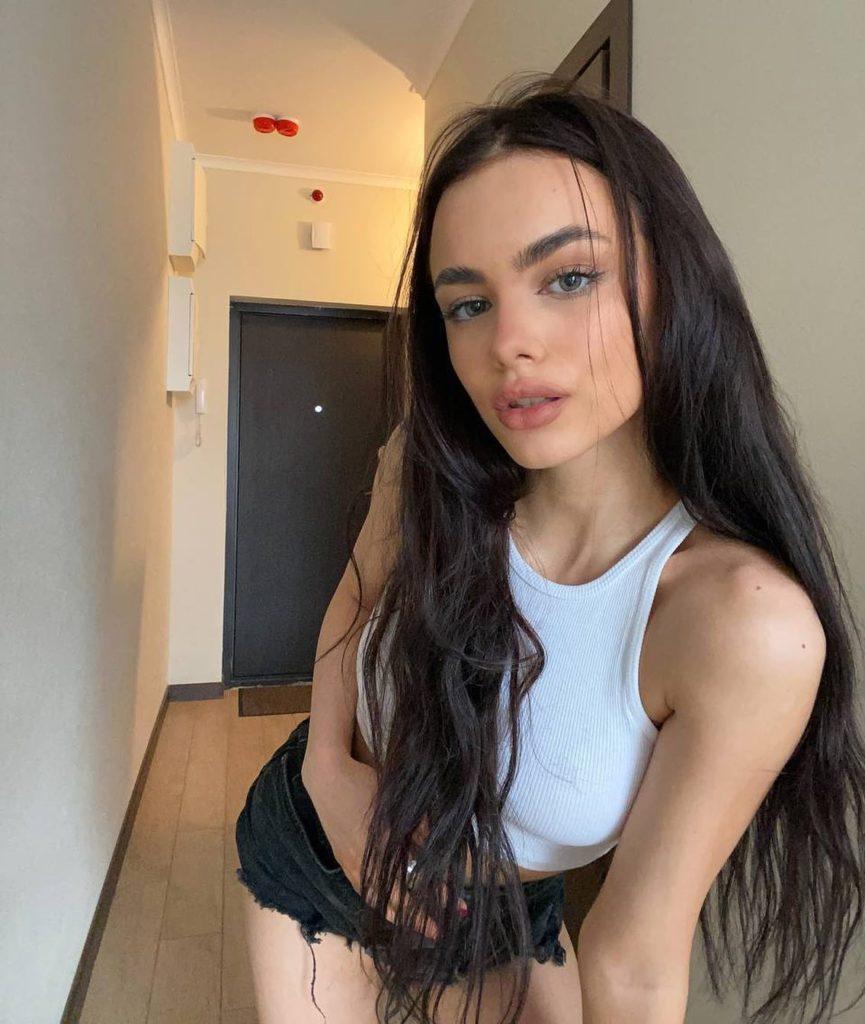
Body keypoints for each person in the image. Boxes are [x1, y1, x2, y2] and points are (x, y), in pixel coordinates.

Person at [235, 72, 865, 1024]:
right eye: (466, 304)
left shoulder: (740, 624)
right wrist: (328, 769)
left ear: (671, 284)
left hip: (500, 906)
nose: (509, 343)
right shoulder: (425, 469)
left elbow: (634, 959)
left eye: (568, 278)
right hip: (314, 849)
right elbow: (358, 595)